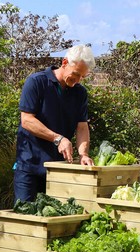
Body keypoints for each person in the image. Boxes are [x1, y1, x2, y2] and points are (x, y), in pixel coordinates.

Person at [13, 44, 96, 202]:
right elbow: (27, 120)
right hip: (29, 166)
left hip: (59, 169)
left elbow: (82, 127)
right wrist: (58, 138)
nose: (78, 80)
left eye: (82, 77)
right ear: (65, 63)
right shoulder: (36, 82)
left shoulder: (80, 93)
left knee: (55, 219)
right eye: (76, 74)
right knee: (25, 218)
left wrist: (83, 154)